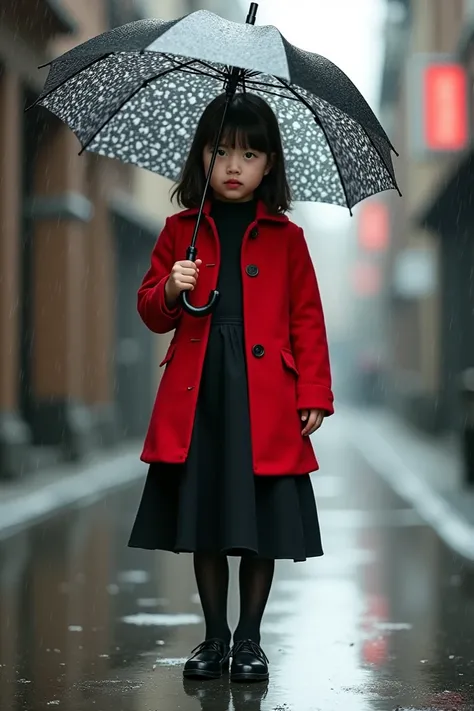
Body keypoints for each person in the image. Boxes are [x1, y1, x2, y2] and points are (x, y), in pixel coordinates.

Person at [128, 92, 334, 683]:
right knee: (207, 514)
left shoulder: (287, 238)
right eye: (220, 151)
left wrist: (314, 391)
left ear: (270, 164)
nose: (234, 165)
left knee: (260, 517)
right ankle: (214, 637)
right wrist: (172, 286)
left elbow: (307, 316)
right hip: (203, 395)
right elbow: (152, 312)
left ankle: (250, 639)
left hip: (266, 394)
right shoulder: (178, 232)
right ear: (202, 158)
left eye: (249, 153)